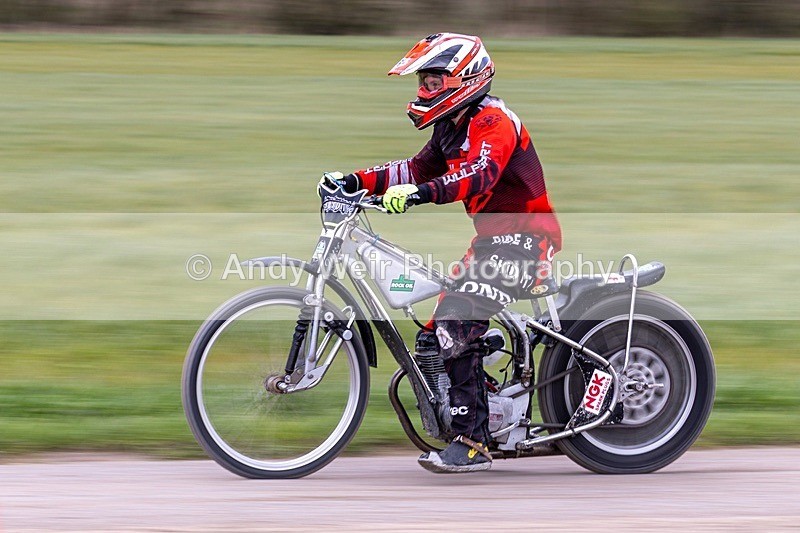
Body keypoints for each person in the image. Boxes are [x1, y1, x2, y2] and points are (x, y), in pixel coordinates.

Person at [319, 33, 562, 473]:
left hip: (528, 241)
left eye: (432, 81)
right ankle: (488, 404)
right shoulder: (452, 125)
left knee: (454, 322)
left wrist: (418, 194)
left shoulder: (493, 121)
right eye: (422, 82)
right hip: (492, 242)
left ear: (466, 77)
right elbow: (413, 167)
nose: (423, 91)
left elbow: (479, 174)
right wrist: (354, 181)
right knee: (432, 339)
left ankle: (474, 440)